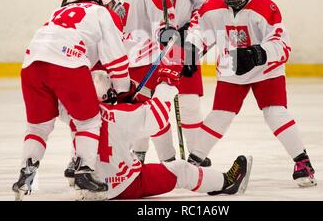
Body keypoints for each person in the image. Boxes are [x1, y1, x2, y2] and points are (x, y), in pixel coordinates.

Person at [182, 0, 317, 187]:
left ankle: (303, 162)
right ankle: (195, 159)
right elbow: (199, 32)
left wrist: (257, 54)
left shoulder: (266, 8)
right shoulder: (212, 7)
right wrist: (191, 51)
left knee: (275, 113)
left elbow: (282, 43)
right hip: (231, 69)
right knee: (220, 115)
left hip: (266, 71)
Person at [12, 0, 134, 201]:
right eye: (115, 4)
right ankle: (84, 172)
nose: (116, 11)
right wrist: (124, 88)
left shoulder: (61, 10)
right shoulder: (102, 13)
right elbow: (116, 59)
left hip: (31, 66)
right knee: (89, 120)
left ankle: (26, 177)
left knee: (38, 127)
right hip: (66, 64)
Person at [59, 67, 253, 201]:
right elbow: (157, 116)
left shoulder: (74, 114)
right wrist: (167, 83)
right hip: (123, 185)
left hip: (87, 186)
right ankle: (227, 182)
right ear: (110, 94)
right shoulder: (121, 115)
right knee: (180, 169)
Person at [69, 0, 177, 166]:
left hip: (140, 61)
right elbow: (84, 9)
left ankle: (168, 160)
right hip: (107, 60)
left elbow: (161, 25)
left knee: (148, 112)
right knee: (99, 112)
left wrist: (165, 35)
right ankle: (86, 158)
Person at [137, 0, 212, 166]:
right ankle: (138, 153)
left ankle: (197, 156)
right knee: (144, 103)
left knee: (190, 105)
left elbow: (206, 12)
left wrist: (191, 42)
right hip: (148, 47)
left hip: (182, 44)